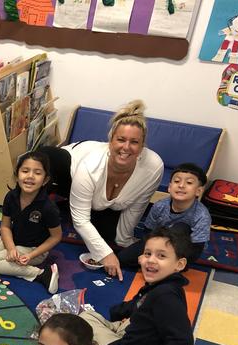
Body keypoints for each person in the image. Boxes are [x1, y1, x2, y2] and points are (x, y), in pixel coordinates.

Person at [40, 100, 164, 281]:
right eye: (121, 139)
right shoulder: (89, 166)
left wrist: (124, 240)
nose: (126, 147)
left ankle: (71, 205)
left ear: (142, 146)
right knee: (47, 157)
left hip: (100, 201)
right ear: (110, 140)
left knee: (106, 235)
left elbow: (138, 205)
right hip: (71, 171)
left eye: (134, 142)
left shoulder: (153, 167)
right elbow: (80, 220)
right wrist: (106, 255)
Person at [80, 227, 194, 345]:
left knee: (83, 319)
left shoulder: (165, 296)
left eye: (161, 256)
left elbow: (182, 341)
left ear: (180, 264)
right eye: (148, 254)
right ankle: (115, 330)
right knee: (107, 317)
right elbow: (138, 305)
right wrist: (116, 312)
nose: (151, 260)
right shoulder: (167, 285)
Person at [0, 150, 62, 293]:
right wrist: (11, 247)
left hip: (33, 249)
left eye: (37, 173)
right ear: (17, 175)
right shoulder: (11, 196)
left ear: (45, 179)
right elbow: (6, 226)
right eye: (25, 171)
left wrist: (31, 255)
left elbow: (56, 236)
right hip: (14, 237)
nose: (30, 177)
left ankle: (40, 274)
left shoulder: (48, 207)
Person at [118, 163, 210, 269]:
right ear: (170, 187)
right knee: (122, 258)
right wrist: (148, 254)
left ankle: (166, 267)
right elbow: (148, 232)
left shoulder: (202, 215)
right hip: (158, 243)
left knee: (180, 227)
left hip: (182, 250)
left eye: (189, 183)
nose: (181, 186)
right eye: (176, 181)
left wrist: (176, 263)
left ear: (198, 191)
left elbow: (196, 249)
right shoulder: (159, 206)